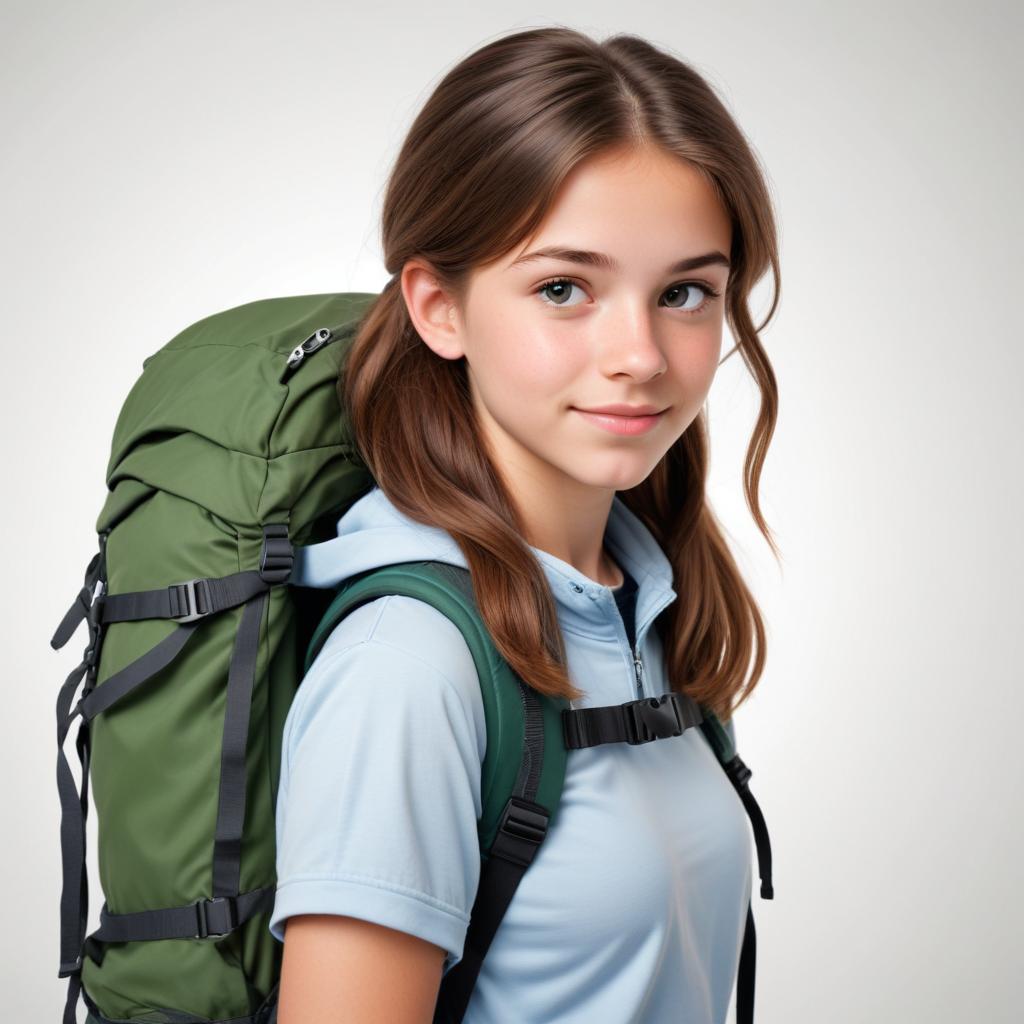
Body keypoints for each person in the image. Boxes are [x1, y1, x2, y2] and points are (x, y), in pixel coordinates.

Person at [271, 25, 780, 1024]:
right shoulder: (408, 667)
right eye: (563, 288)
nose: (638, 353)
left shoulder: (644, 615)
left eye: (684, 291)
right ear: (438, 307)